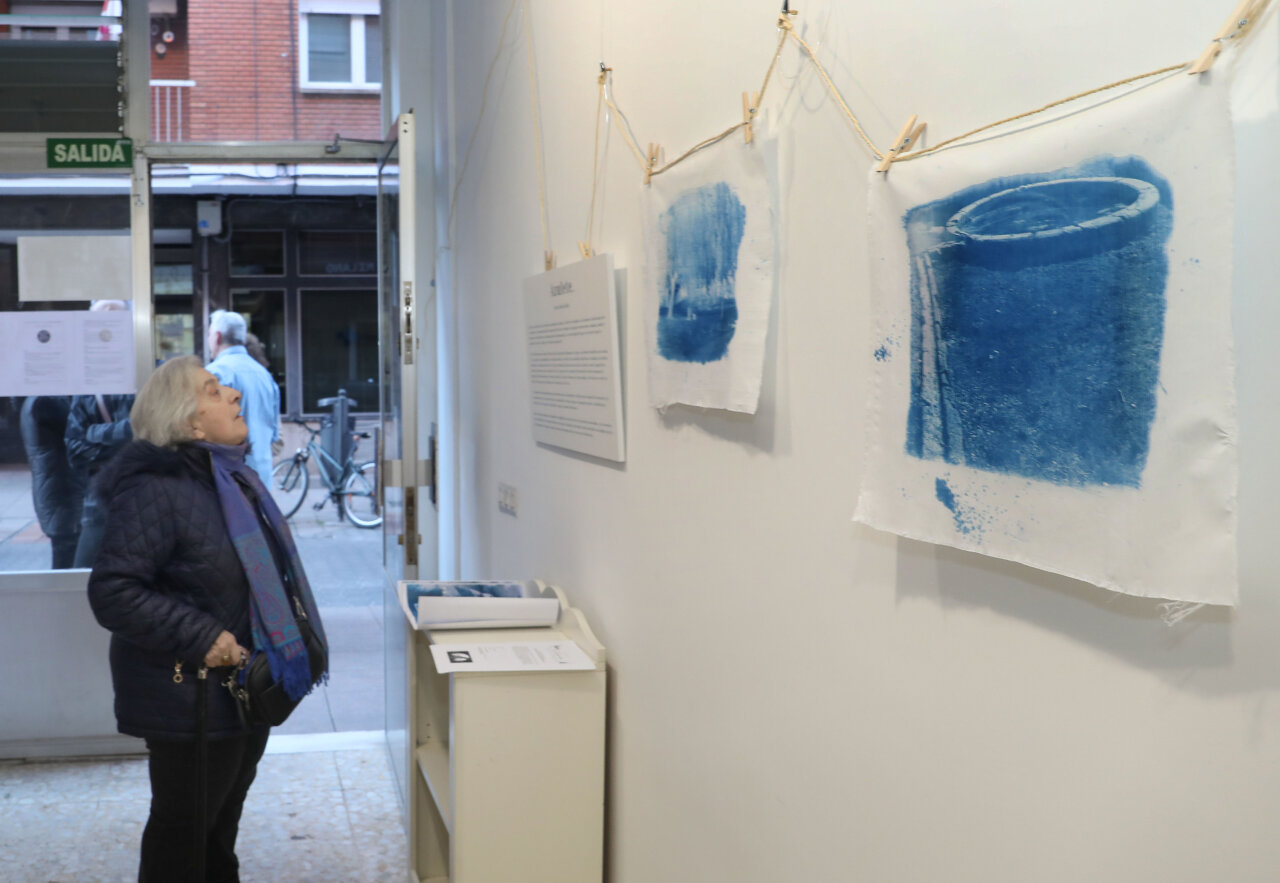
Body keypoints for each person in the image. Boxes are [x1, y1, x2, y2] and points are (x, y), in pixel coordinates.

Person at [87, 355, 327, 882]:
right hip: (189, 693)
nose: (234, 396)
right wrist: (205, 637)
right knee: (183, 833)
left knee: (218, 827)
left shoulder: (229, 479)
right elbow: (113, 592)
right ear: (189, 422)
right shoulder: (155, 490)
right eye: (214, 391)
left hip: (242, 690)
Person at [206, 310, 281, 486]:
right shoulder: (264, 376)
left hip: (228, 483)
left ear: (217, 337)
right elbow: (274, 435)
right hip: (261, 482)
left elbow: (205, 435)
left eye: (209, 334)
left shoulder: (215, 373)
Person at [18, 395, 85, 568]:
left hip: (57, 493)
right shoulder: (45, 402)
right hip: (62, 495)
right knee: (66, 561)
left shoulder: (35, 402)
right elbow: (81, 427)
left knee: (66, 557)